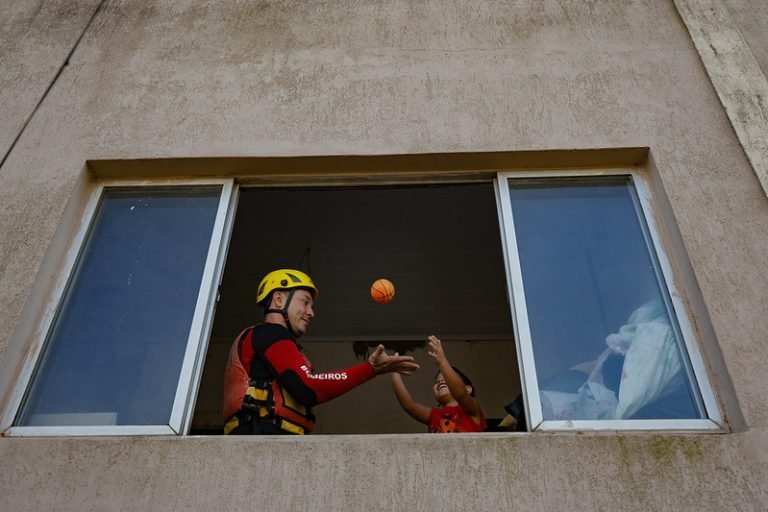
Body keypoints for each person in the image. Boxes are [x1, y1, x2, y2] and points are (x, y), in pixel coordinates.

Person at [223, 268, 419, 435]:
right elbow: (309, 388)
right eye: (305, 302)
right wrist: (370, 368)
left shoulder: (260, 338)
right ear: (279, 299)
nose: (311, 312)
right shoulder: (271, 333)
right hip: (263, 442)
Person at [391, 335, 486, 433]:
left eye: (445, 379)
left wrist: (442, 362)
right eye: (437, 381)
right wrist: (394, 372)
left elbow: (460, 394)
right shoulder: (434, 416)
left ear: (468, 389)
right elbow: (409, 406)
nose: (440, 381)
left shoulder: (471, 409)